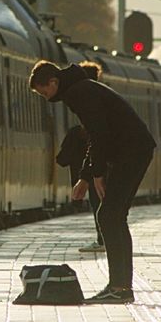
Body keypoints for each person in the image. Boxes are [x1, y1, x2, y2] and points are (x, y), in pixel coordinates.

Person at [30, 60, 156, 304]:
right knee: (113, 215)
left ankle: (119, 287)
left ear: (54, 82)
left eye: (45, 92)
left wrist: (94, 174)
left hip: (131, 152)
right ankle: (120, 286)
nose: (46, 98)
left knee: (110, 215)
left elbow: (99, 134)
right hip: (133, 151)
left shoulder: (79, 93)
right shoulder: (82, 88)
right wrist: (87, 176)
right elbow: (97, 136)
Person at [55, 61, 106, 253]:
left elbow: (96, 136)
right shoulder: (102, 94)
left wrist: (87, 175)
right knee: (101, 201)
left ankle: (103, 240)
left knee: (99, 200)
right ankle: (104, 239)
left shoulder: (88, 99)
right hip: (100, 160)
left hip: (99, 160)